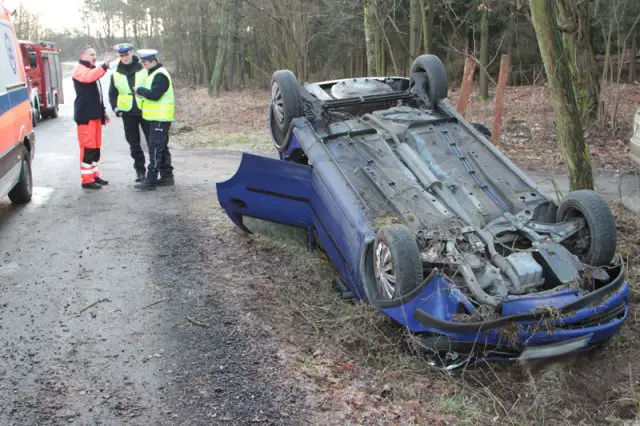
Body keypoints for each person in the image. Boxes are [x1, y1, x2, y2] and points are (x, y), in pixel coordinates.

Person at [133, 49, 175, 191]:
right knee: (162, 148)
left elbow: (155, 95)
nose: (144, 65)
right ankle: (167, 177)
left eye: (145, 62)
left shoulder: (160, 75)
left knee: (155, 149)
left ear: (153, 61)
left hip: (160, 118)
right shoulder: (155, 73)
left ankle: (151, 180)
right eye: (143, 63)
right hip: (159, 118)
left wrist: (139, 90)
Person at [108, 43, 149, 182]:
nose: (124, 58)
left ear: (132, 53)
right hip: (128, 113)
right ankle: (140, 171)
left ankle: (155, 170)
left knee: (152, 142)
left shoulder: (144, 69)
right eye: (121, 56)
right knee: (134, 144)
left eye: (126, 54)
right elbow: (112, 94)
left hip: (145, 110)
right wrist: (116, 109)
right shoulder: (116, 73)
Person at [72, 45, 111, 190]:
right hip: (86, 116)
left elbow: (96, 95)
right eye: (91, 54)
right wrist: (104, 66)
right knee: (88, 148)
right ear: (83, 55)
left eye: (95, 54)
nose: (94, 57)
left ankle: (94, 175)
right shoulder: (80, 70)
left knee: (95, 148)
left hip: (94, 115)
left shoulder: (90, 69)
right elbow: (89, 78)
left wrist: (102, 112)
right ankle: (86, 180)